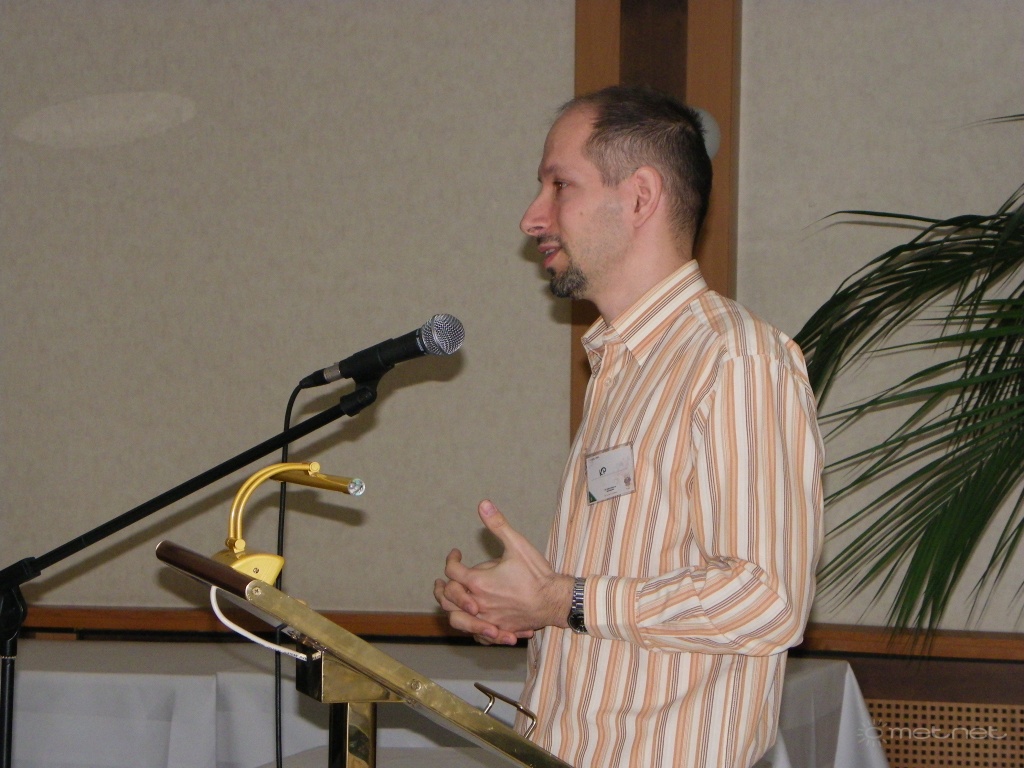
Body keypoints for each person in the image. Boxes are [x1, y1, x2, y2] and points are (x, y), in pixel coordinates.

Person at [434, 85, 823, 768]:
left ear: (641, 197)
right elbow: (623, 604)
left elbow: (766, 600)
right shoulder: (621, 365)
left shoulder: (735, 359)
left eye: (559, 185)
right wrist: (519, 606)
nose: (532, 217)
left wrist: (560, 600)